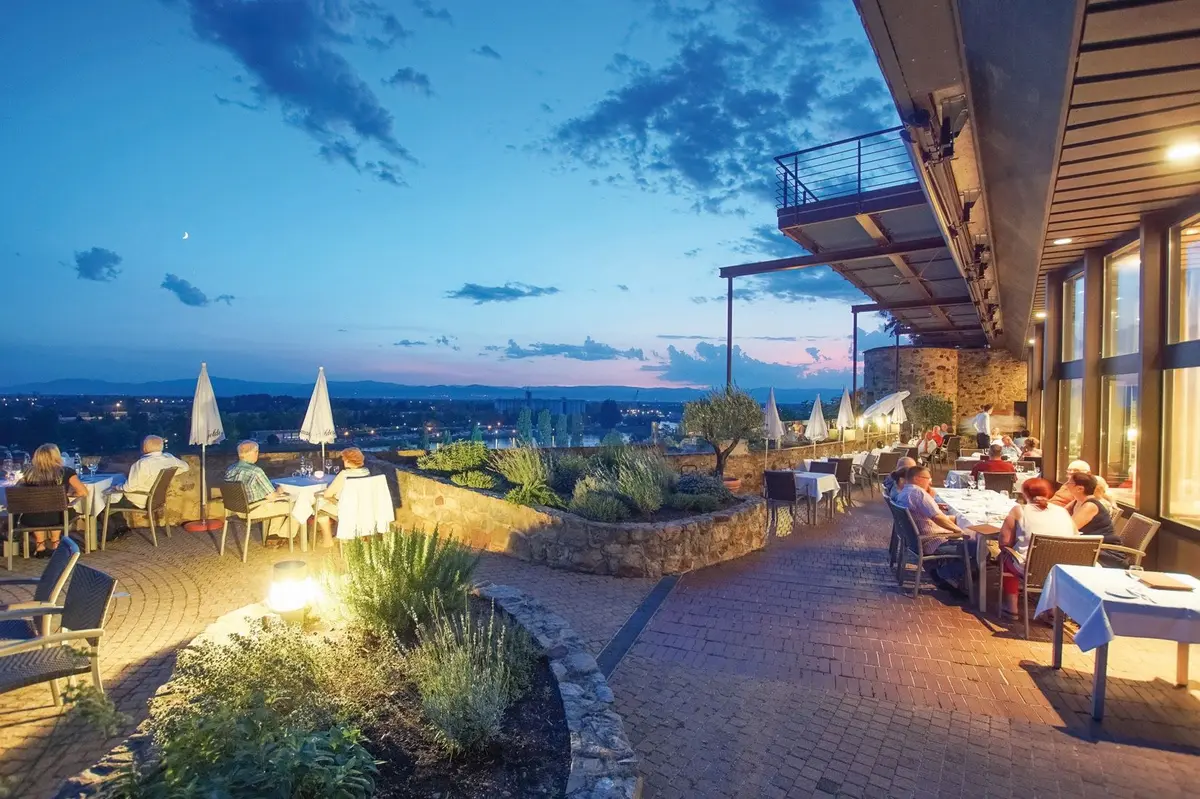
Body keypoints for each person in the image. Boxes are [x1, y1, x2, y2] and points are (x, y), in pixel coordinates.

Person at [997, 477, 1076, 617]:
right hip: (1063, 568)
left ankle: (1012, 607)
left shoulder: (1018, 511)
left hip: (1031, 569)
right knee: (1051, 558)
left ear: (1025, 494)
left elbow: (1004, 543)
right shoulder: (1063, 512)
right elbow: (1075, 535)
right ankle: (1052, 611)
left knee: (1005, 556)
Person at [104, 436, 189, 539]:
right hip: (158, 500)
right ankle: (122, 529)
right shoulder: (169, 458)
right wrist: (170, 473)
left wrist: (117, 487)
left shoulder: (142, 464)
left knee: (105, 499)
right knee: (113, 497)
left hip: (142, 500)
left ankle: (114, 533)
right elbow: (185, 467)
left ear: (144, 448)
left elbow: (128, 488)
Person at [896, 465, 968, 585]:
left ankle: (946, 573)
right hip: (932, 542)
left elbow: (925, 512)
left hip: (915, 540)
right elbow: (937, 517)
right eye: (928, 479)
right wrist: (959, 530)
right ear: (917, 478)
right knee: (978, 549)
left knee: (957, 519)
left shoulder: (905, 492)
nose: (930, 482)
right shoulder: (919, 493)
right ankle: (945, 574)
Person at [16, 443, 88, 556]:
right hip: (59, 517)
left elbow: (18, 492)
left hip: (31, 519)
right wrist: (71, 493)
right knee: (57, 509)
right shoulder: (65, 472)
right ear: (56, 456)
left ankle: (40, 546)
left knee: (37, 507)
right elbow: (83, 492)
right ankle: (56, 543)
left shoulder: (27, 473)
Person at [223, 440, 296, 546]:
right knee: (296, 506)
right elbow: (271, 496)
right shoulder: (255, 471)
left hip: (236, 509)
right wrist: (279, 490)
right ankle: (283, 534)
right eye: (257, 452)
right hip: (253, 509)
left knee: (279, 503)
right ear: (253, 453)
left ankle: (273, 536)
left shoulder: (231, 469)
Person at [313, 447, 372, 548]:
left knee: (319, 507)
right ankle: (360, 538)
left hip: (346, 510)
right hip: (363, 508)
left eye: (344, 459)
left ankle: (328, 541)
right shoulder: (366, 472)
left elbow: (327, 494)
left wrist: (320, 494)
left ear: (348, 461)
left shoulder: (344, 474)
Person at [1068, 472, 1117, 543]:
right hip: (1088, 545)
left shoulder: (1090, 506)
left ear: (1080, 489)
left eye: (1069, 483)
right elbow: (1061, 513)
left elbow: (1069, 528)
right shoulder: (1078, 501)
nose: (1066, 485)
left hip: (1102, 548)